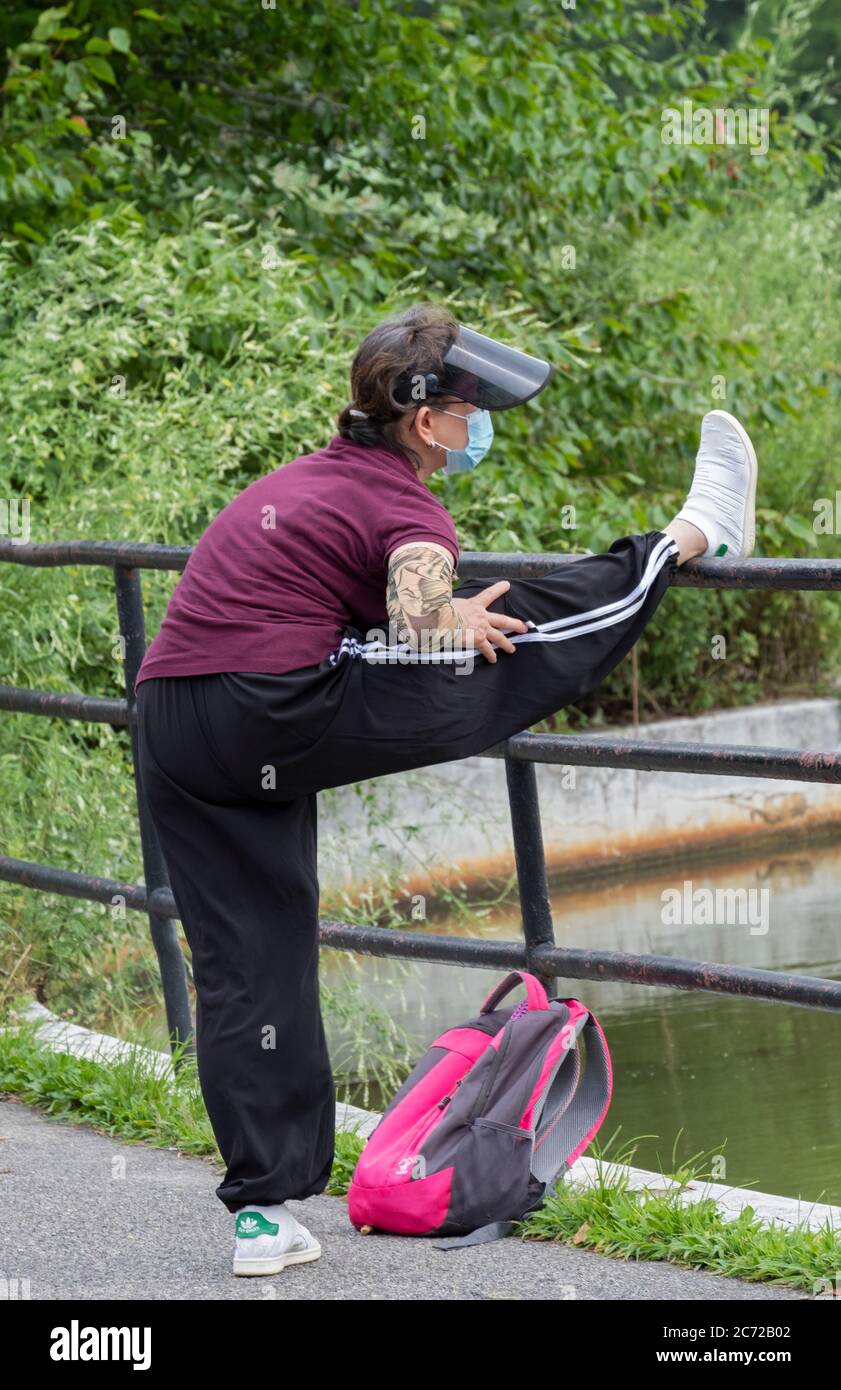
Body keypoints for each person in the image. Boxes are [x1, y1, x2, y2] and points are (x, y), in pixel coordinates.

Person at [134, 303, 758, 1276]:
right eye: (471, 409)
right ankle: (691, 534)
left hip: (172, 720)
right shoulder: (403, 503)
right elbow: (420, 613)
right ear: (427, 422)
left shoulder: (305, 480)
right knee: (528, 628)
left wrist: (424, 614)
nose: (478, 425)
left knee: (247, 963)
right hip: (267, 710)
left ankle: (262, 1213)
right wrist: (450, 613)